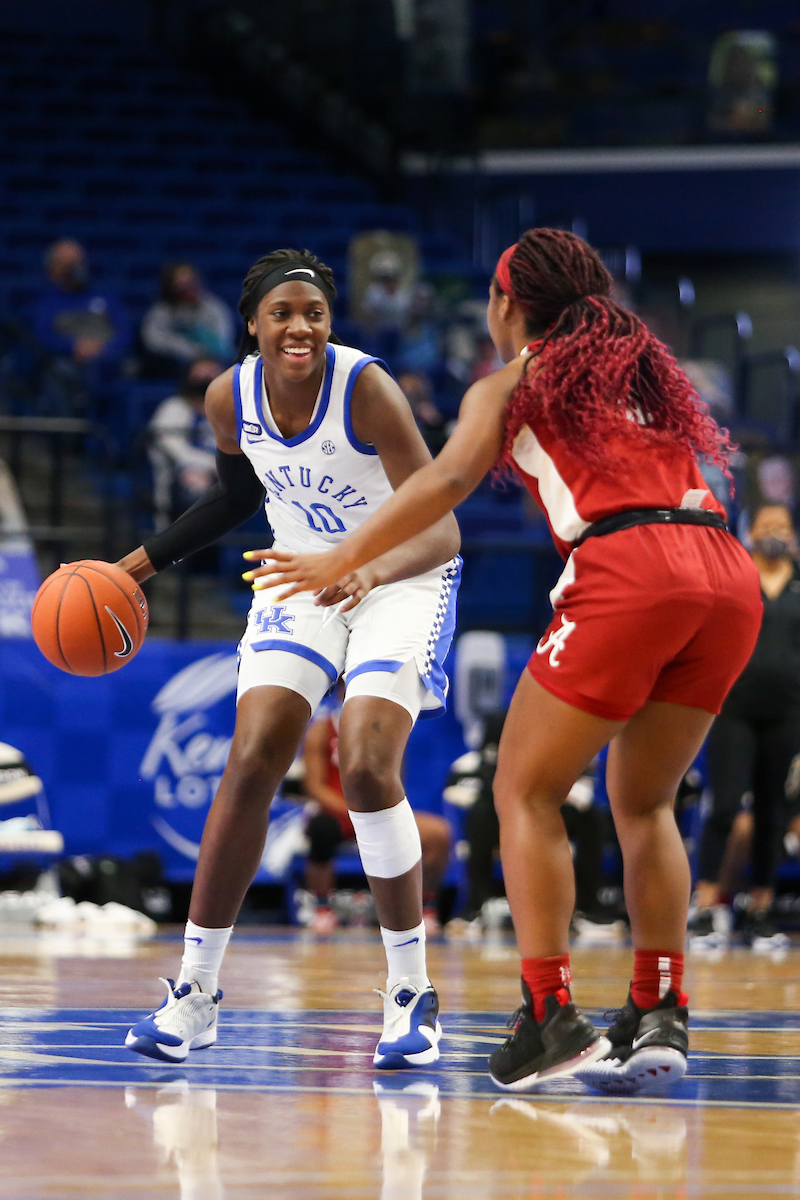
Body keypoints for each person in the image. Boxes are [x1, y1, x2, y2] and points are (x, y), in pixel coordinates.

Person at [252, 228, 763, 1095]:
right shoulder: (637, 372)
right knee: (646, 804)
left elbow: (445, 482)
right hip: (725, 572)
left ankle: (549, 1015)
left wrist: (338, 559)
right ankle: (658, 1007)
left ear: (507, 304)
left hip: (633, 567)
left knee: (521, 790)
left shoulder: (514, 380)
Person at [119, 248, 461, 1069]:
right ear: (253, 325)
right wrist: (130, 570)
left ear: (330, 322)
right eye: (283, 313)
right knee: (253, 754)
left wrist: (362, 568)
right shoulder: (226, 395)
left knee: (369, 761)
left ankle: (411, 996)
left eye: (313, 312)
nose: (300, 326)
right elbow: (238, 497)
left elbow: (442, 525)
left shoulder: (366, 388)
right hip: (299, 571)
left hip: (399, 575)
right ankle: (195, 995)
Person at [691, 503, 800, 951]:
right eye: (765, 526)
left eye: (782, 526)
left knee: (772, 811)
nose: (773, 533)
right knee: (725, 805)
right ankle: (708, 905)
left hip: (787, 713)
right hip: (733, 708)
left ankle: (761, 907)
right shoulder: (734, 575)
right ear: (750, 532)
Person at [300, 693, 451, 935]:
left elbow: (394, 781)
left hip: (377, 807)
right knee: (321, 829)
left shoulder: (386, 728)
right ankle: (321, 907)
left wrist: (380, 808)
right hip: (338, 812)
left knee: (438, 834)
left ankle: (426, 907)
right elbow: (314, 786)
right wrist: (352, 810)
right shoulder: (322, 730)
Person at [32, 239, 131, 412]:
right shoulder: (47, 303)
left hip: (108, 364)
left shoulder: (105, 297)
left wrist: (101, 348)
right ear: (54, 269)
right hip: (68, 367)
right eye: (70, 263)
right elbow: (42, 337)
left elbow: (125, 333)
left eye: (80, 261)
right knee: (59, 373)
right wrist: (74, 346)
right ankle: (68, 435)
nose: (77, 267)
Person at [148, 357, 221, 530]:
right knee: (194, 483)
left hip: (224, 477)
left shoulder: (227, 410)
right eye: (200, 378)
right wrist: (212, 465)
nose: (205, 381)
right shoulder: (173, 408)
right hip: (179, 477)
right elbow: (175, 450)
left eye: (211, 376)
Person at [141, 262, 235, 375]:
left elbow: (223, 340)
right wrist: (188, 350)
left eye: (191, 282)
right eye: (182, 284)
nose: (188, 287)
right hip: (174, 364)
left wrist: (205, 353)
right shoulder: (160, 311)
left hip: (212, 360)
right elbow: (154, 341)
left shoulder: (213, 307)